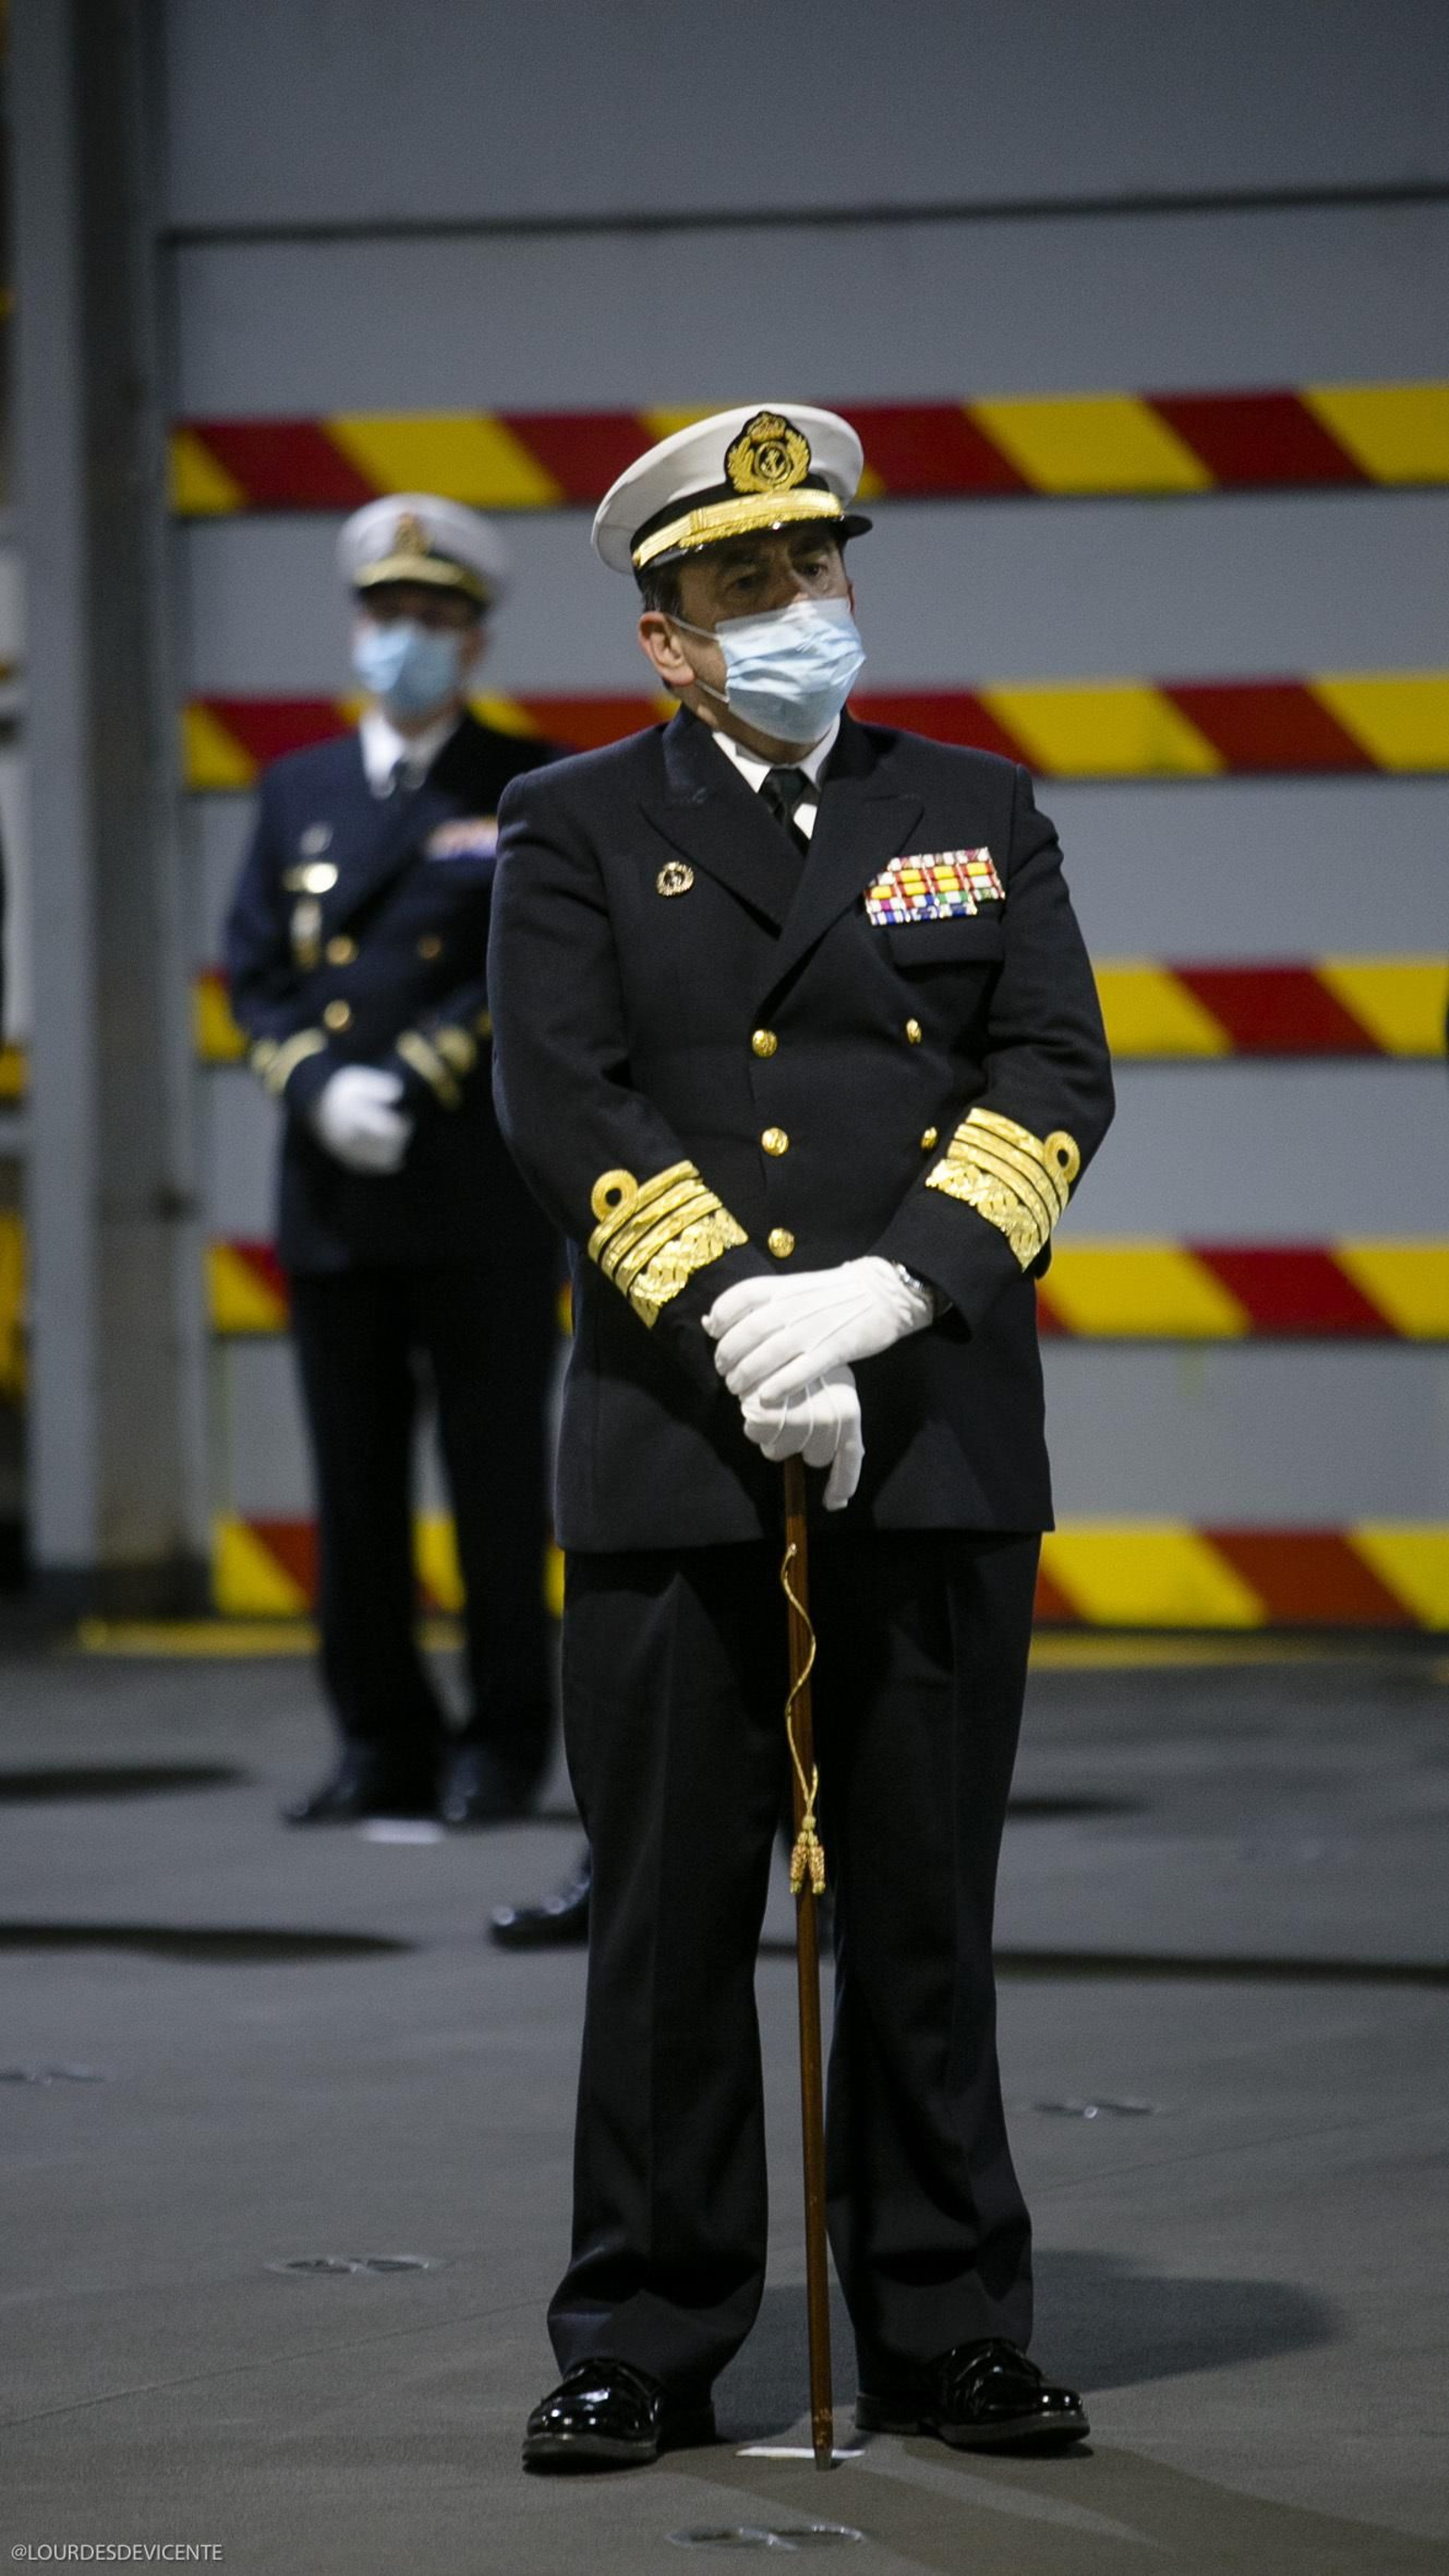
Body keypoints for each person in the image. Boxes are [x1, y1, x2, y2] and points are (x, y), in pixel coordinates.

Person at [488, 404, 1114, 2470]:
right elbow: (566, 1096)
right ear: (665, 636)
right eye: (747, 583)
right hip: (683, 1437)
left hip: (927, 1424)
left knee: (921, 1903)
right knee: (670, 1913)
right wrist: (739, 1308)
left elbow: (1049, 1077)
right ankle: (643, 2335)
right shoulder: (570, 824)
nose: (797, 608)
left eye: (817, 567)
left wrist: (885, 1291)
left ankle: (945, 2321)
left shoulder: (975, 803)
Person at [226, 495, 559, 1827]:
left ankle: (504, 1743)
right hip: (335, 1200)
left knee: (494, 1492)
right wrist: (312, 1083)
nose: (403, 641)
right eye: (386, 617)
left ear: (474, 639)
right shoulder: (296, 789)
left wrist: (413, 1073)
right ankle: (378, 1740)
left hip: (475, 1193)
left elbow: (531, 966)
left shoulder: (524, 785)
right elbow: (252, 975)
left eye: (431, 619)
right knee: (352, 1496)